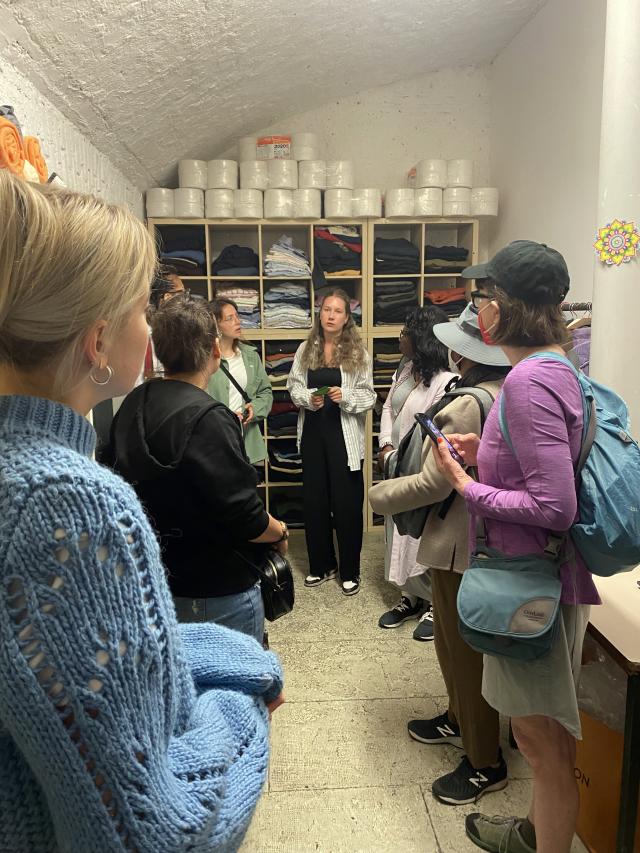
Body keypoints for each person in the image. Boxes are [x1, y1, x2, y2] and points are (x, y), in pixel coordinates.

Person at [0, 171, 283, 852]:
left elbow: (60, 671)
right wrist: (244, 710)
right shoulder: (68, 504)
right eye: (140, 310)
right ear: (99, 341)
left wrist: (231, 653)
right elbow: (153, 831)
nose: (150, 328)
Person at [433, 241, 600, 853]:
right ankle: (536, 832)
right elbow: (540, 469)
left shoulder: (528, 381)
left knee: (541, 744)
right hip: (543, 576)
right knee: (541, 737)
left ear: (504, 307)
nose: (476, 312)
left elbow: (555, 507)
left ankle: (544, 842)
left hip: (530, 582)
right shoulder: (557, 367)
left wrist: (469, 487)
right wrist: (487, 454)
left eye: (480, 299)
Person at [369, 303, 511, 805]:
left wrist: (378, 495)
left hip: (460, 543)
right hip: (479, 539)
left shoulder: (469, 402)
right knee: (455, 645)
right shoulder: (503, 389)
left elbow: (433, 483)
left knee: (464, 653)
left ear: (463, 349)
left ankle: (483, 762)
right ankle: (458, 720)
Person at [101, 293, 289, 644]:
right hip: (218, 589)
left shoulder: (134, 404)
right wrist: (279, 531)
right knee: (236, 690)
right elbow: (244, 514)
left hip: (159, 581)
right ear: (215, 350)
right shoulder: (210, 419)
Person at [287, 288, 375, 596]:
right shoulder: (305, 349)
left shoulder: (358, 353)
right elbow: (293, 386)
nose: (331, 315)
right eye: (326, 309)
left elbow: (369, 396)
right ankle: (321, 565)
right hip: (313, 434)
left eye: (337, 311)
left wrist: (345, 396)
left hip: (344, 437)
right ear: (319, 313)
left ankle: (349, 570)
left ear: (347, 317)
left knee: (347, 504)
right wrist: (308, 399)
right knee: (314, 502)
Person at [377, 305, 457, 641]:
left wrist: (401, 457)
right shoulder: (405, 370)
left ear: (422, 338)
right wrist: (384, 446)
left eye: (406, 332)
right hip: (395, 462)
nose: (400, 337)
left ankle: (433, 605)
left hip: (420, 468)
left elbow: (433, 429)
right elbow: (387, 407)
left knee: (422, 533)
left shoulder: (447, 380)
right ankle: (410, 596)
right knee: (398, 532)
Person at [207, 296, 273, 466]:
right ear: (216, 324)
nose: (238, 321)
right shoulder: (204, 358)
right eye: (230, 318)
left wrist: (255, 408)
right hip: (214, 441)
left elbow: (265, 392)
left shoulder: (250, 355)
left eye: (237, 316)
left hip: (246, 441)